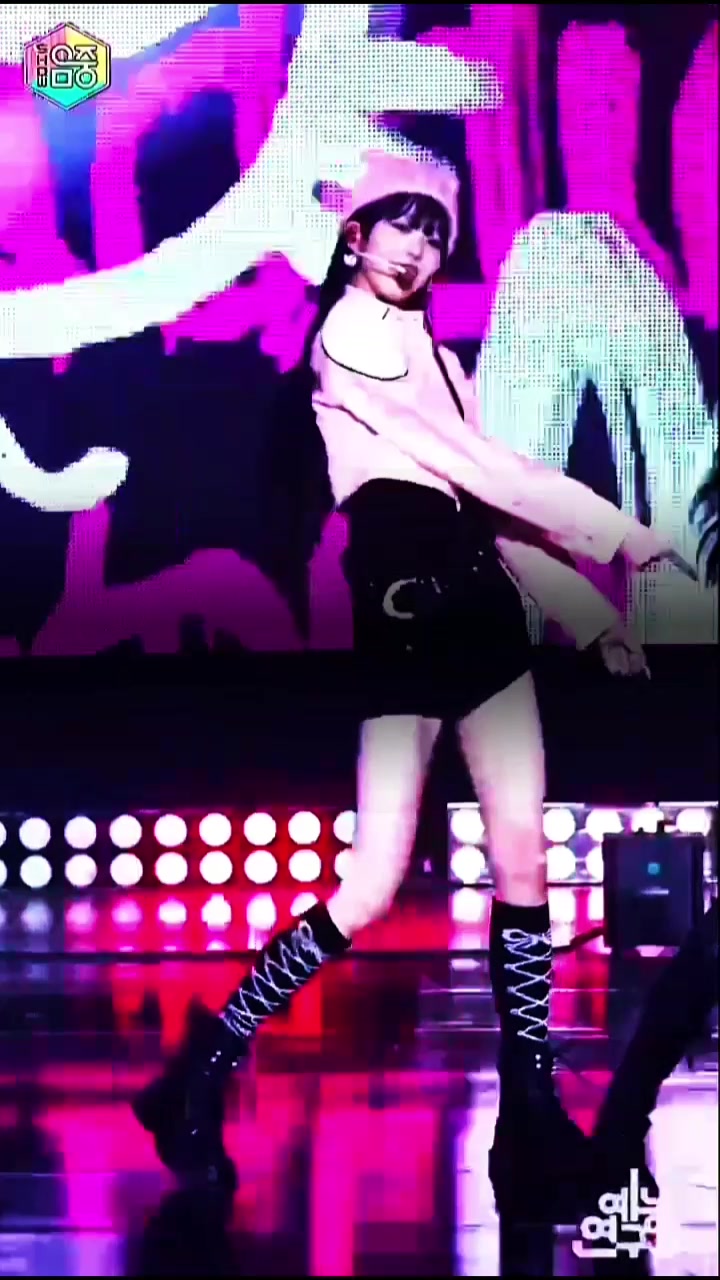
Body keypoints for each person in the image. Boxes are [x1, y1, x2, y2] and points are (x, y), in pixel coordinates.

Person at [132, 150, 676, 1214]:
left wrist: (593, 614)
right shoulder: (348, 340)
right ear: (355, 235)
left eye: (436, 230)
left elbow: (492, 513)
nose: (420, 246)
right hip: (405, 624)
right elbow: (480, 470)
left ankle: (529, 1120)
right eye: (401, 223)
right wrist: (614, 530)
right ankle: (202, 1065)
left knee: (524, 862)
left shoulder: (440, 355)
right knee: (372, 884)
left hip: (480, 616)